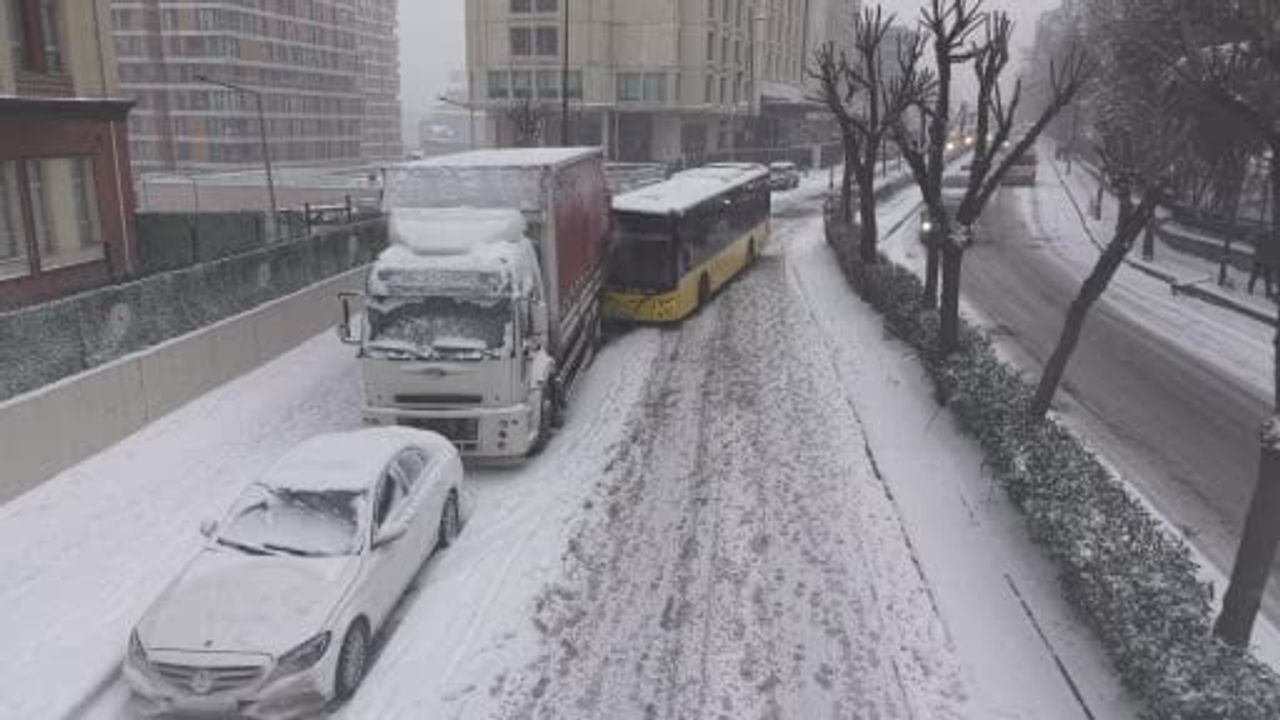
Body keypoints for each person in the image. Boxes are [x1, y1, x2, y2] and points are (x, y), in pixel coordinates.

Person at [1247, 229, 1276, 298]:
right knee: (1266, 277)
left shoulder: (1261, 235)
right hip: (1265, 259)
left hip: (1261, 258)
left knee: (1256, 275)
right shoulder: (1273, 237)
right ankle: (1267, 293)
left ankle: (1250, 288)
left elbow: (1253, 242)